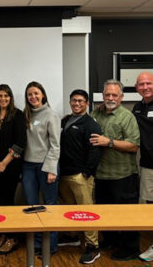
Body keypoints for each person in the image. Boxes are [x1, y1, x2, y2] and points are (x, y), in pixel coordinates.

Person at [90, 79, 140, 260]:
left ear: (121, 97)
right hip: (101, 173)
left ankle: (131, 248)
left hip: (123, 174)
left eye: (114, 95)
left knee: (127, 214)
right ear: (103, 96)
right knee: (104, 211)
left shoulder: (127, 117)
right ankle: (111, 240)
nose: (110, 98)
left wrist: (108, 142)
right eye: (107, 94)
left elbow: (133, 145)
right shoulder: (96, 113)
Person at [59, 89, 102, 264]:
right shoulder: (66, 120)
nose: (77, 104)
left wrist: (86, 172)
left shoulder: (90, 124)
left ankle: (93, 246)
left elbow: (95, 150)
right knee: (70, 209)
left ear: (87, 104)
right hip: (64, 174)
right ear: (70, 102)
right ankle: (72, 235)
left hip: (80, 176)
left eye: (80, 101)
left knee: (86, 211)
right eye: (74, 100)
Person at [21, 81, 60, 256]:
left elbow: (55, 145)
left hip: (46, 166)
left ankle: (50, 246)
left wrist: (52, 169)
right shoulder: (26, 114)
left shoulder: (51, 114)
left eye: (36, 93)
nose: (33, 97)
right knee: (32, 205)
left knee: (50, 206)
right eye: (30, 94)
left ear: (42, 94)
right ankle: (37, 243)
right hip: (28, 166)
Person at [0, 84, 26, 255]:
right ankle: (3, 233)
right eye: (0, 96)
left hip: (9, 165)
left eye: (6, 96)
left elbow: (20, 144)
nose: (3, 99)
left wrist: (4, 162)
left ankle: (13, 237)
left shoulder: (17, 115)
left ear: (10, 98)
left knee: (8, 201)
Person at [133, 72, 153, 261]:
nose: (145, 87)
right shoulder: (137, 108)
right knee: (149, 205)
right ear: (136, 87)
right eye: (142, 84)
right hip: (147, 165)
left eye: (149, 83)